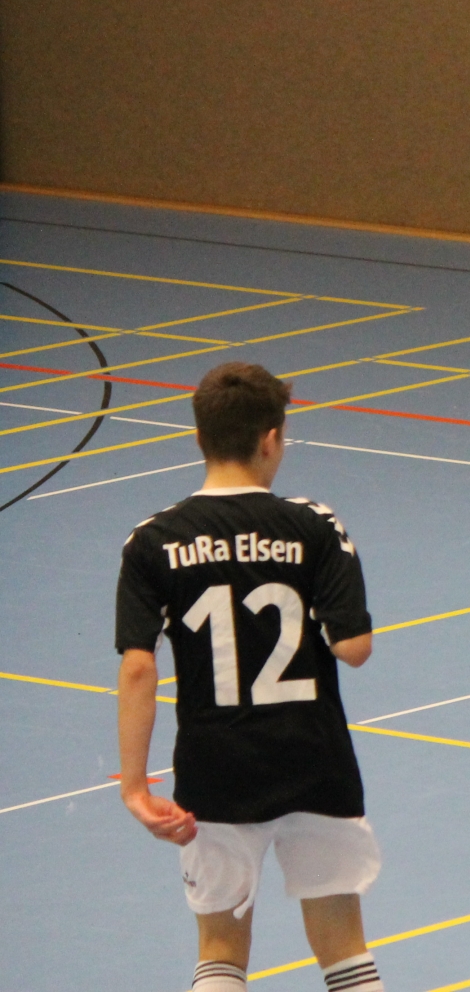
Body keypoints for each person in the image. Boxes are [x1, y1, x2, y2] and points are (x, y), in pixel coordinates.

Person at [115, 362, 388, 992]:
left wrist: (134, 788)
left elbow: (138, 668)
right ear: (271, 439)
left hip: (216, 769)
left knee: (220, 952)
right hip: (315, 762)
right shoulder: (314, 525)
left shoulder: (154, 540)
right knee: (346, 951)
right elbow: (353, 648)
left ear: (199, 438)